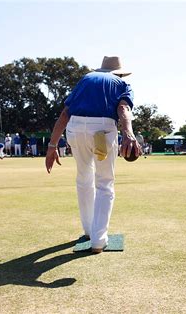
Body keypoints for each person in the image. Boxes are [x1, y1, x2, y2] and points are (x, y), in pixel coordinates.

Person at [45, 56, 141, 254]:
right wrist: (128, 134)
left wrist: (52, 146)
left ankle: (88, 231)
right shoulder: (122, 83)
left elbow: (65, 114)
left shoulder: (85, 79)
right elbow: (123, 108)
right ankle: (98, 240)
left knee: (83, 178)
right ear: (119, 73)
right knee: (104, 183)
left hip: (75, 129)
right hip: (102, 130)